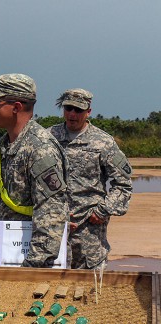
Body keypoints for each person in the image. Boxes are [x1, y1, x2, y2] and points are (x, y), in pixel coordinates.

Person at [0, 73, 68, 268]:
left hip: (32, 264)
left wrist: (32, 267)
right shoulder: (5, 144)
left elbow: (52, 214)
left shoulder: (40, 148)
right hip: (8, 255)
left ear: (16, 107)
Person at [49, 88, 132, 269]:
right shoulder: (49, 138)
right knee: (49, 285)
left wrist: (103, 210)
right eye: (68, 108)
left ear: (88, 111)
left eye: (78, 110)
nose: (72, 114)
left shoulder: (103, 142)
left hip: (89, 230)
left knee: (90, 287)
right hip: (54, 229)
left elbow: (123, 185)